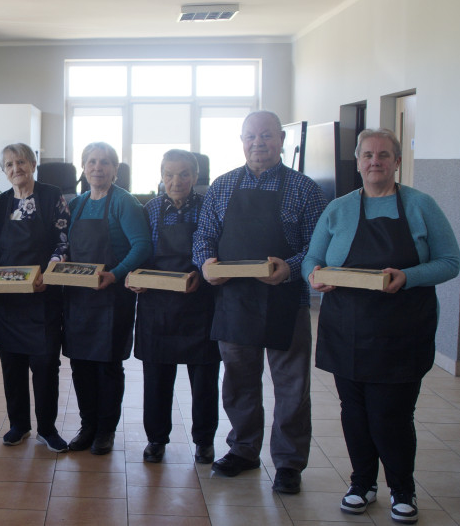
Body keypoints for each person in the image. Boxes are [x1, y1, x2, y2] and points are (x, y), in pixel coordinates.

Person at [304, 128, 460, 523]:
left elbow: (450, 261)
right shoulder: (337, 209)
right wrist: (313, 277)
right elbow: (312, 258)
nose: (376, 161)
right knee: (353, 411)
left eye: (384, 155)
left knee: (391, 413)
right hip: (346, 330)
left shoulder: (422, 206)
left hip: (402, 331)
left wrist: (407, 276)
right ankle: (361, 483)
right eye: (368, 154)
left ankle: (402, 488)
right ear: (358, 162)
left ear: (396, 162)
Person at [193, 110, 326, 494]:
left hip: (287, 300)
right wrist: (204, 264)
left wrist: (292, 267)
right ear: (241, 139)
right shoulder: (222, 186)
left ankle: (288, 463)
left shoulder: (305, 189)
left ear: (281, 140)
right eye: (251, 136)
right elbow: (204, 235)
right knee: (238, 383)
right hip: (234, 300)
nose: (258, 143)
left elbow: (318, 248)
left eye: (266, 135)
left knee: (291, 387)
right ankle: (244, 449)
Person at [129, 149, 219, 464]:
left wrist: (203, 275)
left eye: (183, 174)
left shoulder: (209, 207)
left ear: (195, 177)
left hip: (199, 303)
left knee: (205, 380)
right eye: (169, 174)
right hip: (157, 305)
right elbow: (138, 250)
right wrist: (134, 276)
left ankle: (204, 441)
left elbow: (215, 250)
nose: (175, 181)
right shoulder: (149, 209)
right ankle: (156, 439)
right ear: (161, 175)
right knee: (156, 378)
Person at [64, 142, 152, 455]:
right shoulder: (78, 203)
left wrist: (114, 274)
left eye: (104, 162)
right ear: (83, 168)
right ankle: (87, 425)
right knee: (80, 365)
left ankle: (105, 430)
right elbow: (68, 247)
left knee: (107, 366)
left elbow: (141, 246)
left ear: (115, 169)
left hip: (112, 297)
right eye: (91, 162)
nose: (97, 168)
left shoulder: (124, 202)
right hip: (78, 297)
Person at [0, 143, 70, 452]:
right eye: (9, 164)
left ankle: (47, 428)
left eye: (21, 161)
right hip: (7, 298)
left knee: (46, 363)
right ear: (4, 171)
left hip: (42, 294)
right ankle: (18, 425)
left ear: (33, 164)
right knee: (12, 364)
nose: (15, 168)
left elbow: (63, 240)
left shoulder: (51, 196)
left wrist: (49, 273)